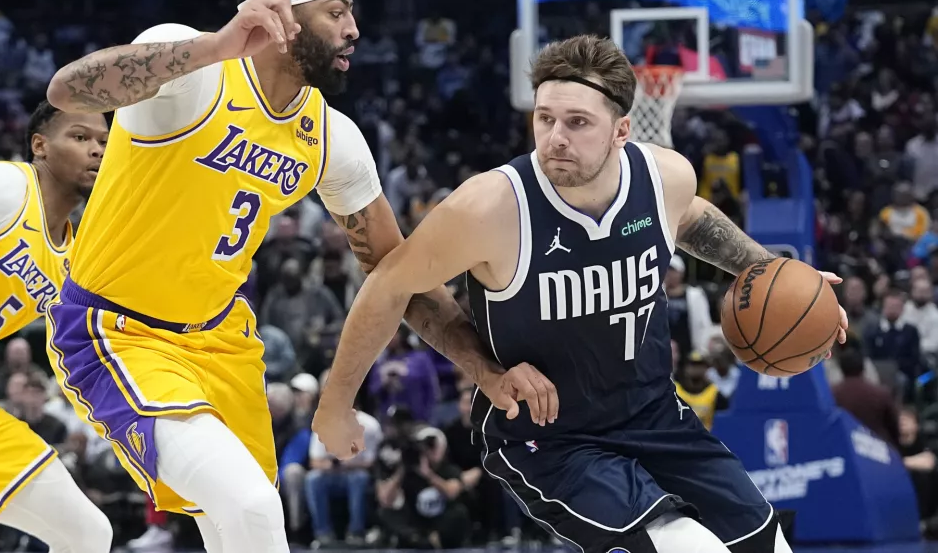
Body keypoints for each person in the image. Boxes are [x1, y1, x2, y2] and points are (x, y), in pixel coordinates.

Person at [44, 0, 552, 551]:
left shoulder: (333, 138)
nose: (354, 29)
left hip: (220, 341)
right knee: (251, 505)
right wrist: (216, 45)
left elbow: (397, 272)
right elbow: (67, 91)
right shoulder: (196, 74)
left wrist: (484, 370)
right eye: (336, 13)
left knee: (244, 526)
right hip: (118, 331)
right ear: (283, 16)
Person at [312, 35, 849, 553]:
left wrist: (772, 270)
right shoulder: (490, 208)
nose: (555, 138)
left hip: (654, 414)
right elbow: (391, 286)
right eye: (544, 119)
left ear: (621, 130)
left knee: (769, 545)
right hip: (551, 439)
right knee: (687, 547)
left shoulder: (664, 178)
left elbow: (689, 218)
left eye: (577, 122)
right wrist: (341, 403)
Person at [0, 100, 112, 553]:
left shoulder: (74, 258)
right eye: (80, 137)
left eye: (104, 143)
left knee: (89, 534)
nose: (96, 150)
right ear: (40, 145)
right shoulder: (3, 187)